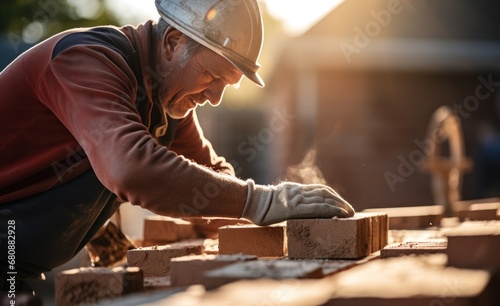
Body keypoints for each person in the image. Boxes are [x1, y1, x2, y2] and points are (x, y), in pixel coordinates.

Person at [0, 0, 354, 291]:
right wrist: (261, 201)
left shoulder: (163, 97)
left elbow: (211, 180)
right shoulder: (83, 60)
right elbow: (131, 167)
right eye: (213, 76)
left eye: (226, 85)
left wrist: (288, 227)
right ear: (172, 43)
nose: (215, 98)